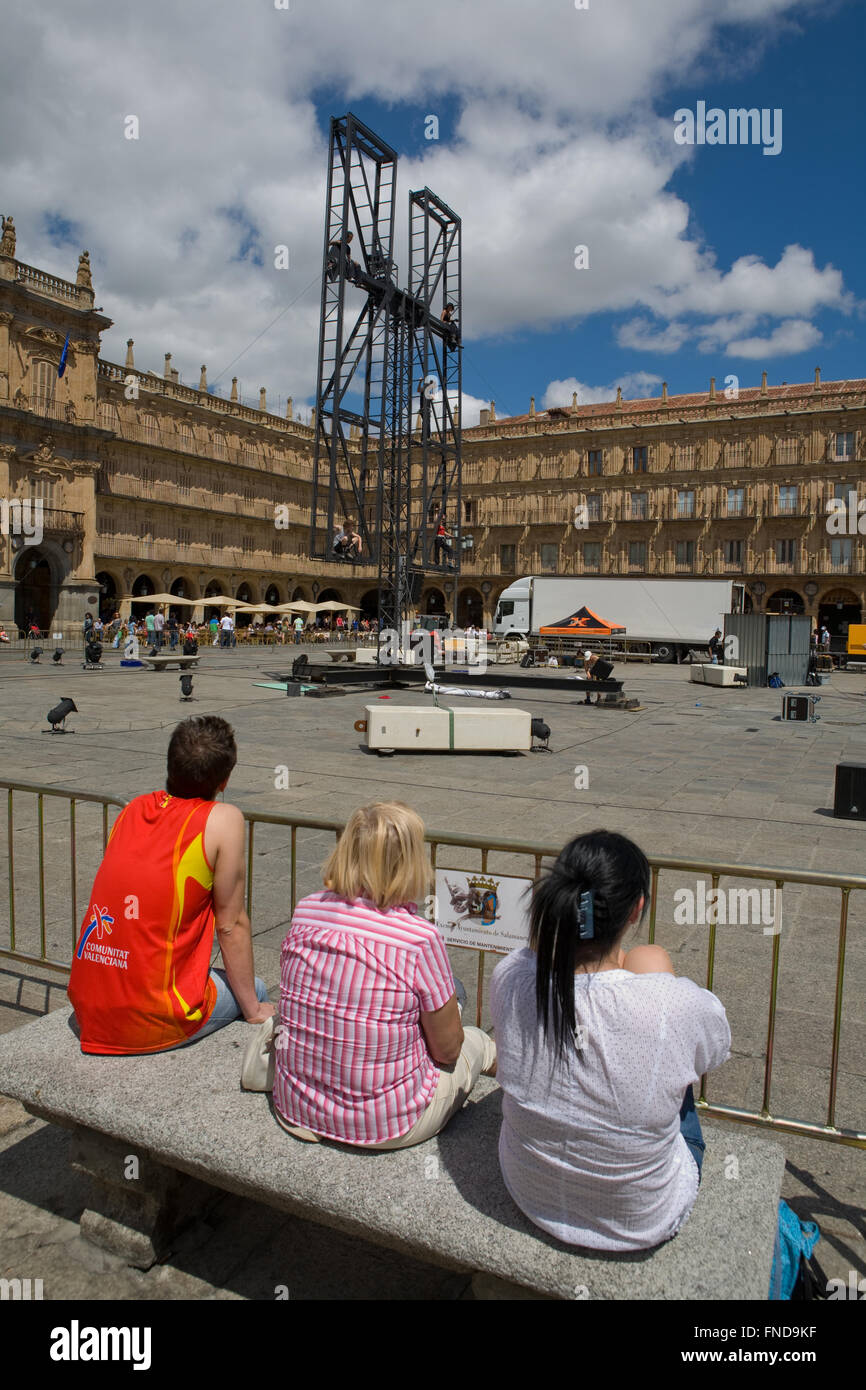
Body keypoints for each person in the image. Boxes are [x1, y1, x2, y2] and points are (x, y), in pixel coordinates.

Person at [490, 829, 730, 1251]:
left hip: (528, 1187)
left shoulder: (509, 975)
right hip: (641, 1216)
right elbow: (713, 1050)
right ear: (635, 909)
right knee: (654, 968)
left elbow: (538, 960)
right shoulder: (672, 1004)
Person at [273, 801, 496, 1148]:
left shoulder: (307, 910)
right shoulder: (418, 939)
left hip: (297, 1105)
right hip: (384, 1123)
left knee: (446, 991)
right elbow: (448, 1052)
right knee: (476, 1039)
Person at [67, 716, 274, 1055]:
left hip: (89, 1004)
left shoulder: (133, 809)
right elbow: (230, 924)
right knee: (257, 990)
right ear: (223, 781)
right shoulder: (222, 819)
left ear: (170, 766)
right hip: (150, 1017)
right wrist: (253, 1009)